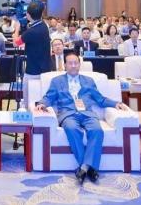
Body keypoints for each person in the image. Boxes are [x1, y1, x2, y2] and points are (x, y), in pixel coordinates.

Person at [36, 51, 128, 184]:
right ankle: (91, 168)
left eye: (76, 63)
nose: (73, 66)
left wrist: (116, 104)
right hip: (68, 114)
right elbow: (49, 97)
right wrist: (41, 104)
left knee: (97, 130)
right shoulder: (56, 81)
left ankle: (84, 168)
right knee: (72, 129)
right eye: (70, 63)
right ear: (65, 65)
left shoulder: (89, 81)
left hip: (87, 114)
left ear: (79, 65)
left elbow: (100, 99)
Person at [15, 1, 51, 77]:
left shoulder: (31, 32)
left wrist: (17, 29)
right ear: (41, 14)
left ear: (28, 15)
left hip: (33, 70)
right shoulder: (44, 25)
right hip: (45, 68)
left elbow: (15, 43)